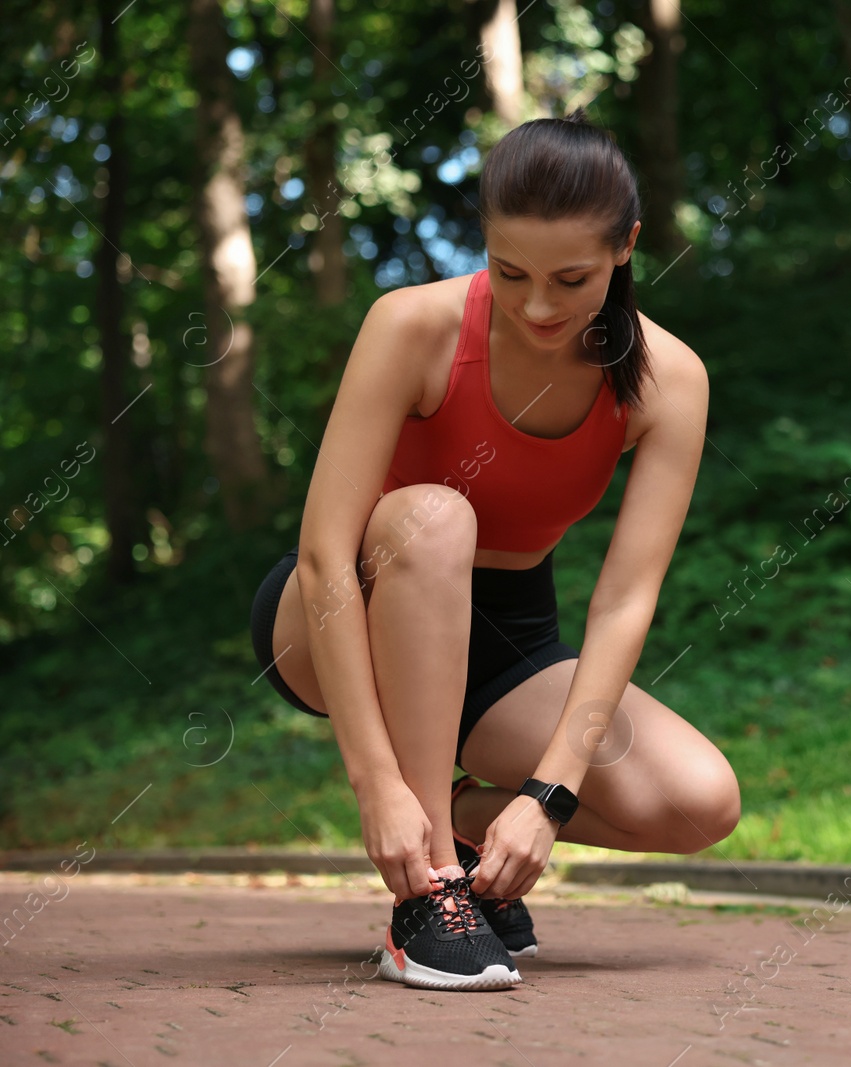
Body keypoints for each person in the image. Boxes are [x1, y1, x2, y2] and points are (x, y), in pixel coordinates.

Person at [248, 109, 740, 991]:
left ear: (627, 245)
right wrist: (379, 789)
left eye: (571, 277)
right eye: (510, 272)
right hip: (338, 613)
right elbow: (323, 556)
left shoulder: (671, 380)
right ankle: (430, 889)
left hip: (504, 638)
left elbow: (623, 603)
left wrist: (547, 798)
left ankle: (471, 827)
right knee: (437, 517)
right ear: (483, 240)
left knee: (699, 801)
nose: (539, 305)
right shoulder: (412, 325)